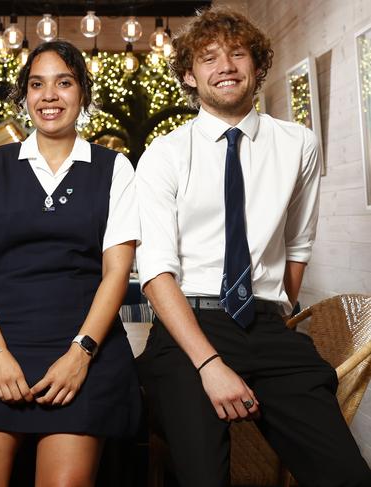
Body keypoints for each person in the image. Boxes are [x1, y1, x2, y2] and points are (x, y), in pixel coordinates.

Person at [135, 6, 371, 487]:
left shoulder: (298, 144)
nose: (225, 66)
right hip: (189, 327)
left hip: (265, 326)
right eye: (209, 58)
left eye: (238, 54)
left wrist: (269, 312)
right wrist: (209, 364)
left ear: (258, 66)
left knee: (346, 474)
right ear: (189, 74)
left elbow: (298, 244)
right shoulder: (165, 153)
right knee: (200, 475)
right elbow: (157, 273)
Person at [0, 40, 141, 486]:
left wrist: (80, 355)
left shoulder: (115, 169)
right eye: (37, 84)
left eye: (63, 83)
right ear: (24, 96)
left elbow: (117, 272)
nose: (49, 96)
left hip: (81, 340)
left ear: (82, 92)